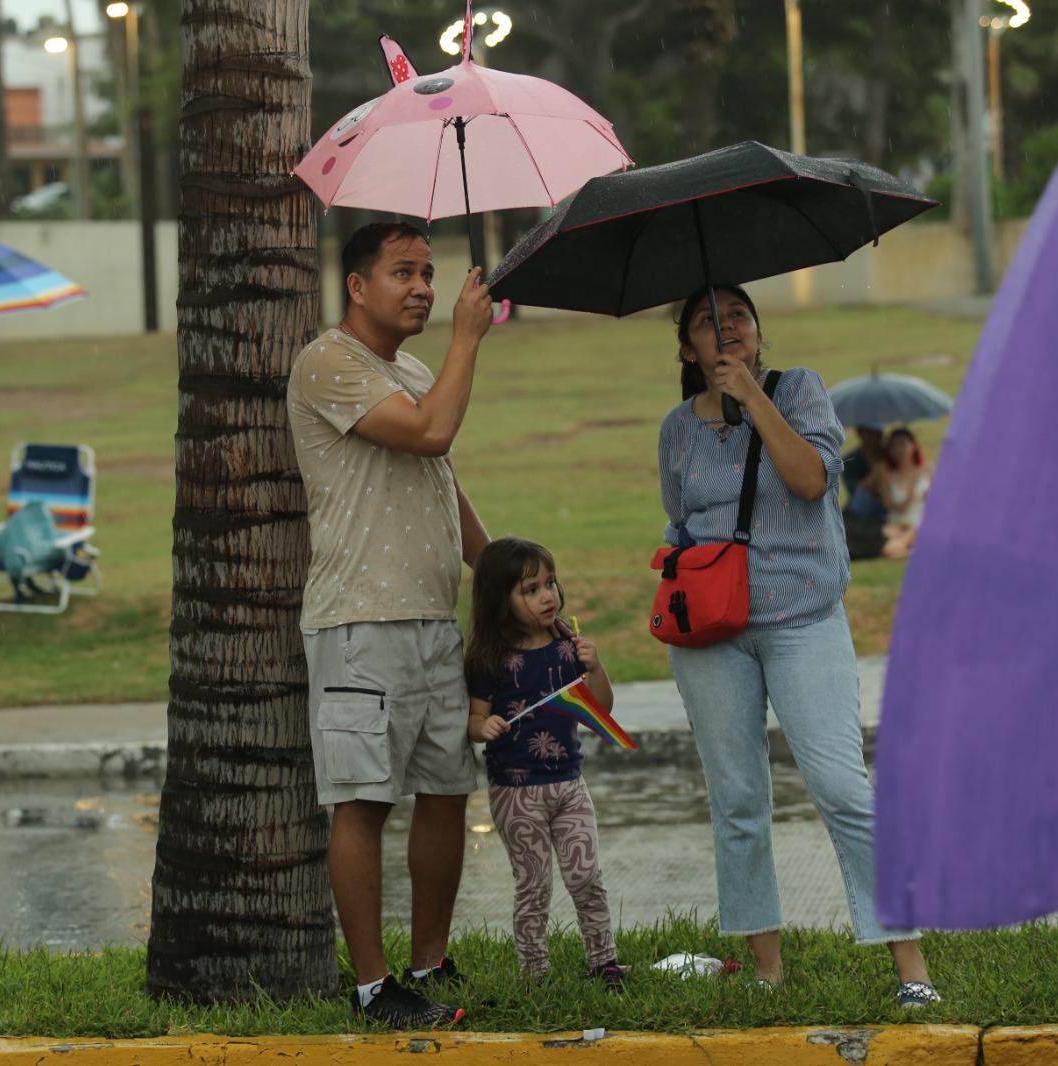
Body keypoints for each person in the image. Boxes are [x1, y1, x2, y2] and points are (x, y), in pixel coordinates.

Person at [655, 283, 940, 1007]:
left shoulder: (801, 392)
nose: (727, 327)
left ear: (758, 330)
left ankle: (911, 968)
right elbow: (680, 522)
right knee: (739, 799)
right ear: (686, 347)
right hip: (711, 631)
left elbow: (811, 483)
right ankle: (767, 972)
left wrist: (754, 397)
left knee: (843, 786)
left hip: (802, 618)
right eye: (706, 321)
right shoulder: (676, 429)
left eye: (739, 314)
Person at [287, 221, 495, 1028]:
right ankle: (375, 988)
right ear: (357, 285)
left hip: (432, 621)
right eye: (403, 272)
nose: (422, 288)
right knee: (365, 801)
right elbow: (431, 429)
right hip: (359, 622)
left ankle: (428, 961)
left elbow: (442, 476)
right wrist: (468, 339)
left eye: (429, 274)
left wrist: (505, 572)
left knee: (445, 790)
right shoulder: (328, 363)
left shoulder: (410, 367)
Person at [463, 537, 624, 990]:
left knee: (586, 875)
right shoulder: (491, 659)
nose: (547, 595)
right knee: (533, 885)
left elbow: (602, 710)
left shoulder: (568, 645)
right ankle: (535, 972)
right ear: (501, 600)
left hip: (569, 783)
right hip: (516, 791)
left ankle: (604, 961)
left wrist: (596, 668)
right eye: (530, 589)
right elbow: (474, 718)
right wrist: (484, 726)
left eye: (550, 583)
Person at [860, 427, 933, 559]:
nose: (899, 449)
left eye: (903, 444)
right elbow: (890, 505)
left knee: (891, 549)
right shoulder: (885, 473)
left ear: (913, 446)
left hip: (919, 525)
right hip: (895, 525)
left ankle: (913, 548)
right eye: (894, 445)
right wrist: (909, 499)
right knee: (886, 545)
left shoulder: (928, 470)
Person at [840, 426, 890, 560]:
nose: (877, 435)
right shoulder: (851, 460)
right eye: (871, 431)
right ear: (861, 433)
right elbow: (854, 491)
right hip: (865, 510)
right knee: (864, 497)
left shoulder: (891, 455)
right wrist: (875, 476)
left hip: (890, 503)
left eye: (878, 431)